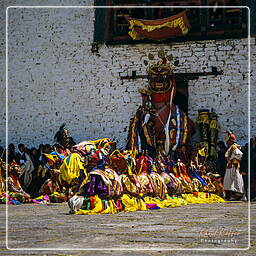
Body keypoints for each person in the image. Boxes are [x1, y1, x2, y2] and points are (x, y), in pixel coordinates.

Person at [223, 131, 245, 201]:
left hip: (234, 165)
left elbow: (239, 155)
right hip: (230, 165)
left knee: (236, 179)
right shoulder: (231, 147)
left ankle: (238, 194)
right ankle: (231, 194)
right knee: (229, 180)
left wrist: (233, 159)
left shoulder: (234, 146)